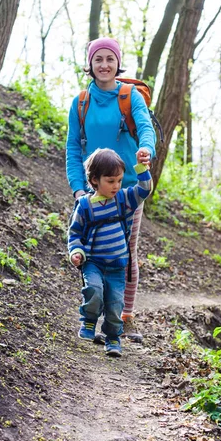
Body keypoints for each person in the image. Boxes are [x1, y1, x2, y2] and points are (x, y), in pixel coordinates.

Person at [66, 36, 156, 342]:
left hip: (128, 190)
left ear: (118, 63)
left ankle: (123, 315)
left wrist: (145, 150)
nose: (104, 65)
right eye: (98, 59)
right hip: (92, 193)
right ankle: (92, 316)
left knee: (125, 250)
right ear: (90, 65)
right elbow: (73, 150)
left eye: (110, 59)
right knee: (89, 250)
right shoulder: (80, 103)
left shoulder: (131, 97)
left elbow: (145, 128)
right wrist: (79, 190)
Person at [68, 148, 152, 357]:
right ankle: (88, 320)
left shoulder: (123, 200)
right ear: (95, 180)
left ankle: (113, 337)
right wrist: (76, 251)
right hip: (94, 262)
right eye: (110, 181)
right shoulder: (85, 206)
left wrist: (142, 167)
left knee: (115, 306)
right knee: (94, 290)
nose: (116, 186)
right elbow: (75, 233)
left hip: (117, 265)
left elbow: (144, 190)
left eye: (119, 180)